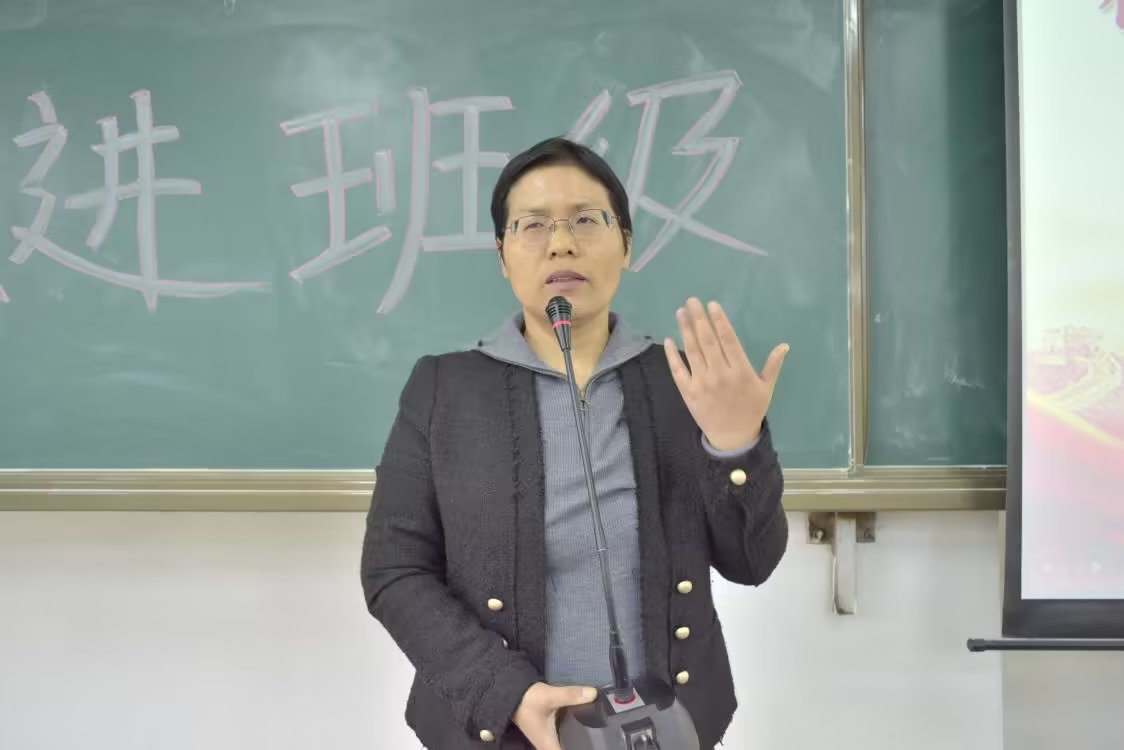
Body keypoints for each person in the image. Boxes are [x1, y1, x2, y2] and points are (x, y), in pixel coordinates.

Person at [360, 136, 790, 750]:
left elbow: (752, 563)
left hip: (667, 729)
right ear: (503, 255)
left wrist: (736, 447)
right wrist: (504, 691)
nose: (561, 242)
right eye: (533, 225)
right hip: (501, 731)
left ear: (627, 244)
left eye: (586, 220)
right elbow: (394, 569)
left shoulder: (685, 384)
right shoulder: (444, 388)